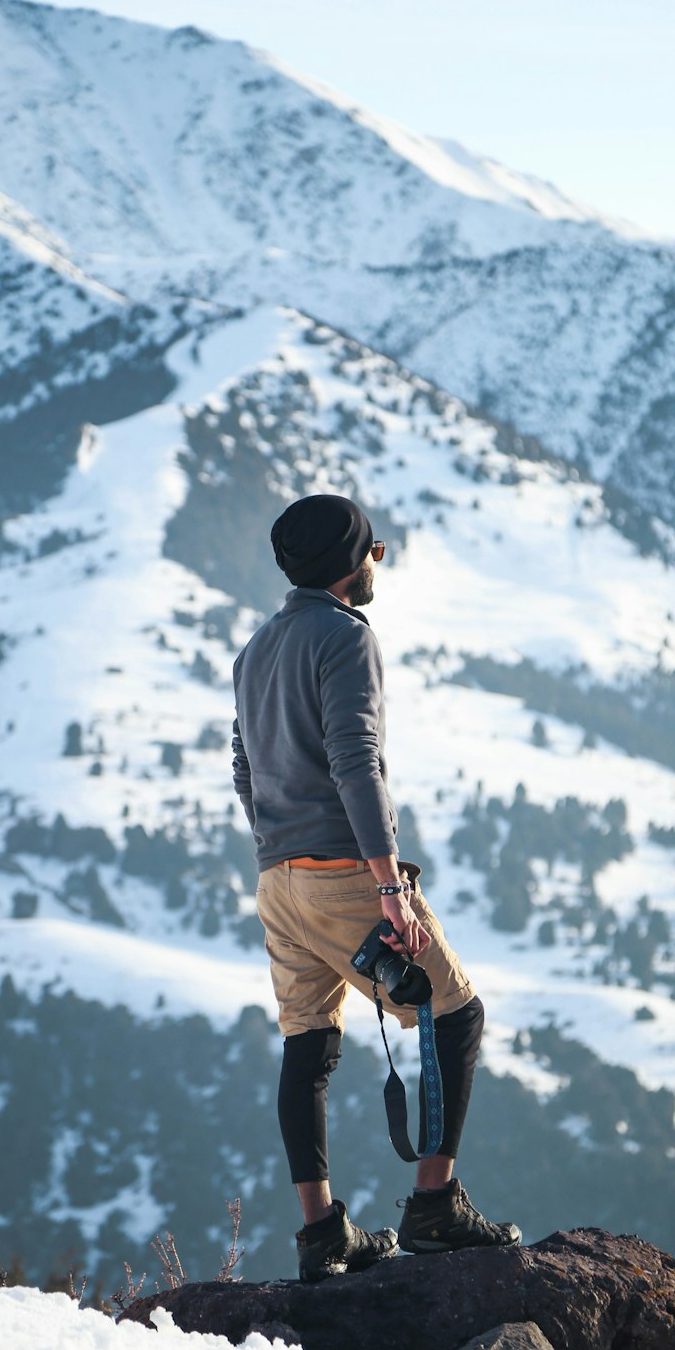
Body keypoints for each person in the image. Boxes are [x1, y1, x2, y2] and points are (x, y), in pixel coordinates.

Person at [231, 493, 521, 1281]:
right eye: (373, 552)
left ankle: (323, 1234)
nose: (376, 563)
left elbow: (244, 772)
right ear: (348, 565)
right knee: (456, 1015)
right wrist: (388, 886)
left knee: (309, 1045)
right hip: (343, 875)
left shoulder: (255, 650)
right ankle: (433, 1205)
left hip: (276, 881)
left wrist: (279, 850)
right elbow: (356, 761)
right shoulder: (346, 637)